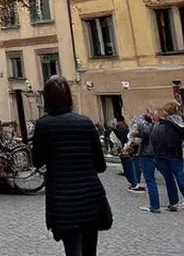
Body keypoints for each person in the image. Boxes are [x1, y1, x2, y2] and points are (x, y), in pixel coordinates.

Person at [30, 76, 111, 256]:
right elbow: (100, 165)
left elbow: (37, 161)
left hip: (63, 199)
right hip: (90, 196)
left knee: (73, 250)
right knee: (90, 250)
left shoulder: (44, 125)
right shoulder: (85, 123)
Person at [143, 101, 184, 213]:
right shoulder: (179, 122)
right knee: (180, 176)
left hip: (161, 154)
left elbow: (154, 138)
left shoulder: (162, 123)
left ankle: (174, 202)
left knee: (169, 178)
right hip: (176, 154)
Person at [110, 115, 139, 191]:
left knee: (128, 168)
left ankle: (133, 183)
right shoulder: (126, 129)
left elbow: (114, 141)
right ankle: (133, 183)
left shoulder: (116, 129)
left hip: (122, 150)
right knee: (129, 167)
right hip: (128, 150)